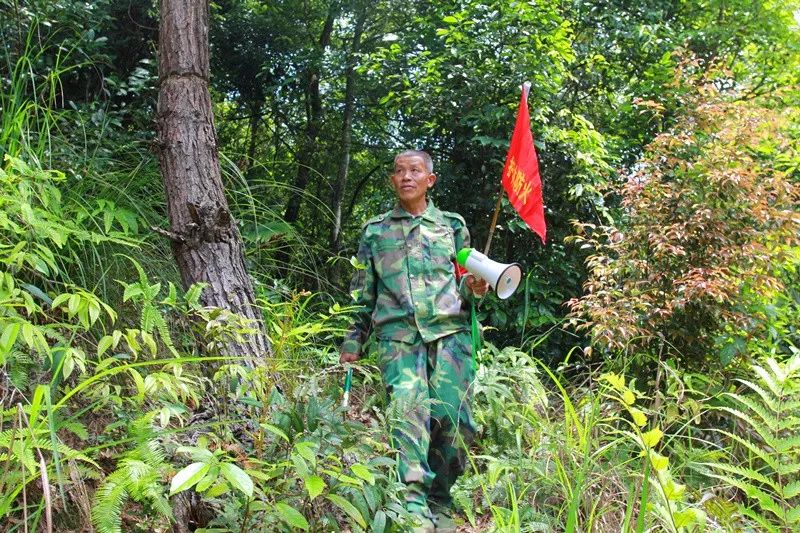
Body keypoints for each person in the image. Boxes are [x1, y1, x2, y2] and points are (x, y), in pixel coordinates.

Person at [340, 150, 487, 532]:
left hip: (450, 336)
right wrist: (353, 340)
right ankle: (413, 505)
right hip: (398, 338)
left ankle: (440, 498)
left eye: (415, 170)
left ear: (430, 180)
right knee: (409, 414)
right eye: (400, 171)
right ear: (393, 180)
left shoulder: (452, 227)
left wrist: (476, 286)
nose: (407, 177)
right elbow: (364, 294)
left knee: (457, 422)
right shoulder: (376, 232)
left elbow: (467, 287)